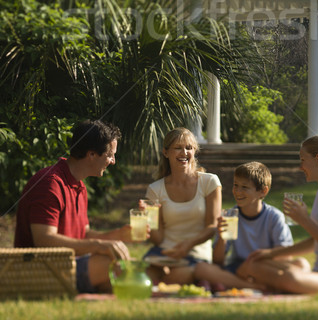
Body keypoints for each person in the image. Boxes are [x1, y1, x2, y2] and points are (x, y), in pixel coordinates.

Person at [14, 119, 136, 294]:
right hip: (38, 269)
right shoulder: (50, 184)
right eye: (110, 155)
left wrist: (118, 235)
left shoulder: (80, 186)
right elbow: (44, 240)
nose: (113, 161)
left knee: (121, 268)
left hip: (67, 264)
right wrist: (99, 245)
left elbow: (83, 234)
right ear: (92, 154)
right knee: (110, 265)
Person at [240, 135, 318, 295]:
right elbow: (317, 241)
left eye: (303, 160)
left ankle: (269, 284)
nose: (300, 166)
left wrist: (305, 221)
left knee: (290, 277)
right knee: (254, 265)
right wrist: (270, 254)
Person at [194, 161, 306, 291]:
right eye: (235, 185)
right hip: (238, 268)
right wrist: (222, 238)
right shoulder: (231, 216)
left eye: (244, 187)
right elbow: (218, 261)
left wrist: (258, 263)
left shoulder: (274, 217)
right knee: (201, 268)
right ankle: (254, 286)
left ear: (263, 191)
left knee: (301, 264)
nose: (237, 191)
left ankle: (240, 283)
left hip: (265, 266)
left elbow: (285, 257)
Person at [142, 127, 222, 285]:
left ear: (194, 151)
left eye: (189, 148)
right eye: (178, 148)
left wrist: (188, 245)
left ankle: (201, 280)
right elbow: (158, 239)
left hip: (196, 253)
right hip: (164, 253)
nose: (184, 153)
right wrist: (148, 219)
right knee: (144, 277)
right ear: (166, 152)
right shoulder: (155, 189)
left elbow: (211, 226)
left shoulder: (210, 182)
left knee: (175, 278)